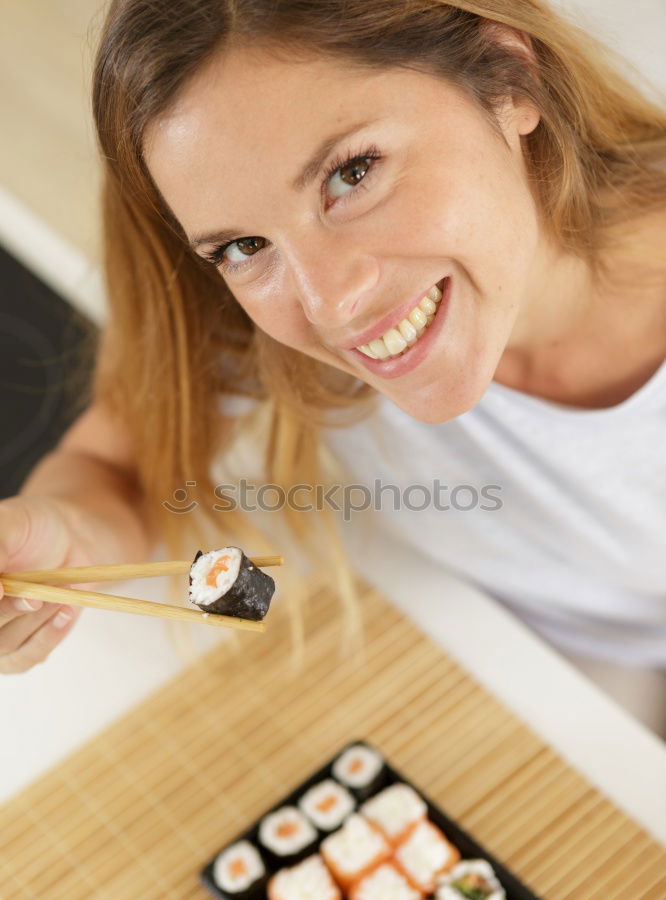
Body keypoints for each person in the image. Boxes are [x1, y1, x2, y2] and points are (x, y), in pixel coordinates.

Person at [0, 1, 664, 732]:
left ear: (510, 82)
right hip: (525, 665)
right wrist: (59, 542)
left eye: (352, 173)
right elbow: (115, 467)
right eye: (244, 247)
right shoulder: (257, 333)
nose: (329, 304)